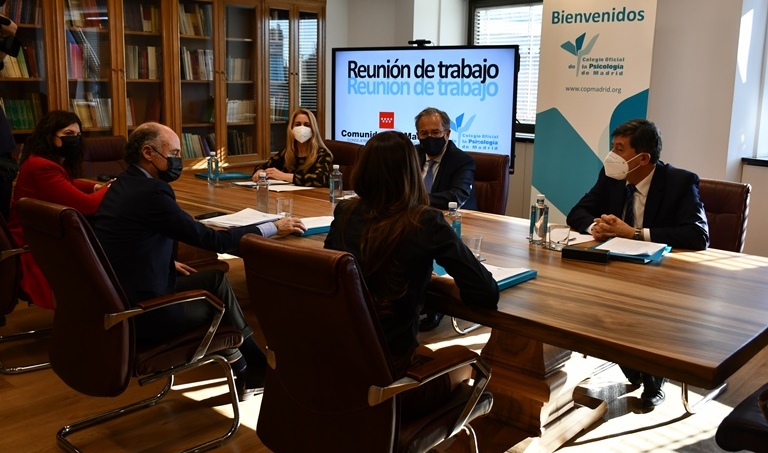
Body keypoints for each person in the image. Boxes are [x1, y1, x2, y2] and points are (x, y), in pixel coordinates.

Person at [92, 122, 306, 402]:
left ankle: (252, 366)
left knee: (214, 279)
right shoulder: (151, 193)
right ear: (148, 152)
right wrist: (272, 228)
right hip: (143, 313)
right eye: (175, 152)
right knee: (221, 308)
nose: (178, 160)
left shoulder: (123, 184)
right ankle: (249, 366)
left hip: (119, 295)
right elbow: (212, 241)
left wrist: (166, 262)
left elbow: (127, 241)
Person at [324, 130, 498, 419]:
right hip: (394, 381)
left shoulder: (345, 212)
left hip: (338, 368)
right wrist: (438, 285)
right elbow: (485, 293)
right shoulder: (425, 221)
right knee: (472, 366)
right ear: (411, 173)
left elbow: (333, 273)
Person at [566, 118, 709, 407]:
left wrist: (633, 233)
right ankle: (634, 366)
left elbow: (698, 234)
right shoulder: (611, 177)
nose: (612, 156)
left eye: (619, 149)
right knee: (584, 304)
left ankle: (654, 377)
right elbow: (577, 211)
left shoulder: (680, 182)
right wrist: (596, 228)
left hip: (662, 276)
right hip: (615, 269)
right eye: (612, 147)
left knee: (642, 312)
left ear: (642, 158)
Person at [6, 110, 111, 310]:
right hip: (35, 244)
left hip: (42, 234)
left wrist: (95, 187)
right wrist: (110, 189)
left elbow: (66, 184)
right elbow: (87, 206)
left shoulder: (45, 161)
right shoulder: (42, 167)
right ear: (50, 135)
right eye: (68, 134)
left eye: (78, 135)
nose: (75, 139)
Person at [415, 107, 479, 331]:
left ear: (447, 133)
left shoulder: (462, 161)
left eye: (435, 132)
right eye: (424, 134)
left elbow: (456, 196)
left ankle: (435, 306)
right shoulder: (411, 155)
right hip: (414, 221)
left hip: (451, 224)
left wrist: (415, 198)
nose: (430, 138)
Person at [252, 108, 332, 187]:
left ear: (313, 129)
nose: (302, 128)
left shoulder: (322, 154)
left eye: (307, 125)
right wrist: (260, 172)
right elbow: (264, 166)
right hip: (290, 195)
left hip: (313, 197)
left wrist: (284, 176)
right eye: (297, 124)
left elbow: (320, 179)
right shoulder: (287, 152)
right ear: (291, 128)